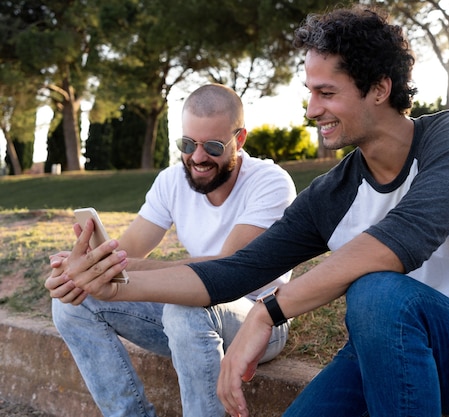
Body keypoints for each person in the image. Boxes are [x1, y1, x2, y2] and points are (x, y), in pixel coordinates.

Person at [53, 5, 449, 417]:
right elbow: (233, 271)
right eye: (309, 91)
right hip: (380, 348)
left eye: (326, 93)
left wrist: (268, 313)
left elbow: (399, 241)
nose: (310, 109)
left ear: (380, 88)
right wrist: (107, 285)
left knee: (378, 290)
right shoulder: (333, 192)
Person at [45, 84, 297, 417]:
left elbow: (230, 269)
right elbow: (129, 248)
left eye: (213, 146)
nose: (197, 157)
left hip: (259, 319)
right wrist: (83, 267)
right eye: (188, 144)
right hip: (190, 319)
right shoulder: (172, 181)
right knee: (73, 304)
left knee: (185, 308)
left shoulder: (270, 183)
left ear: (240, 139)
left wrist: (116, 267)